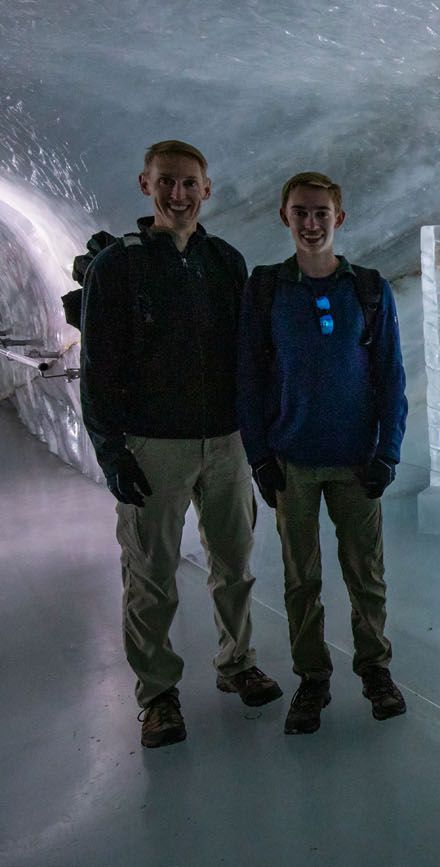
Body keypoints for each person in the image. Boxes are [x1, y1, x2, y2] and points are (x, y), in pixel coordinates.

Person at [80, 140, 283, 749]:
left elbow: (248, 356)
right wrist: (111, 450)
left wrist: (258, 437)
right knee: (151, 574)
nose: (179, 194)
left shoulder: (225, 261)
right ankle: (158, 694)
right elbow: (97, 365)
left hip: (225, 442)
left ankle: (237, 662)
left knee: (234, 565)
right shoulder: (118, 266)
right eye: (167, 181)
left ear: (207, 188)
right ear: (145, 184)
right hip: (152, 445)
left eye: (189, 182)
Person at [237, 171, 408, 735]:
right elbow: (251, 379)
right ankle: (313, 678)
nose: (311, 224)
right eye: (301, 213)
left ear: (340, 219)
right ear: (284, 217)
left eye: (321, 213)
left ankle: (374, 669)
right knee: (299, 578)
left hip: (357, 462)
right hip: (294, 463)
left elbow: (390, 379)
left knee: (366, 575)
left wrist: (388, 452)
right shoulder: (266, 289)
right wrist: (260, 456)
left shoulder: (368, 289)